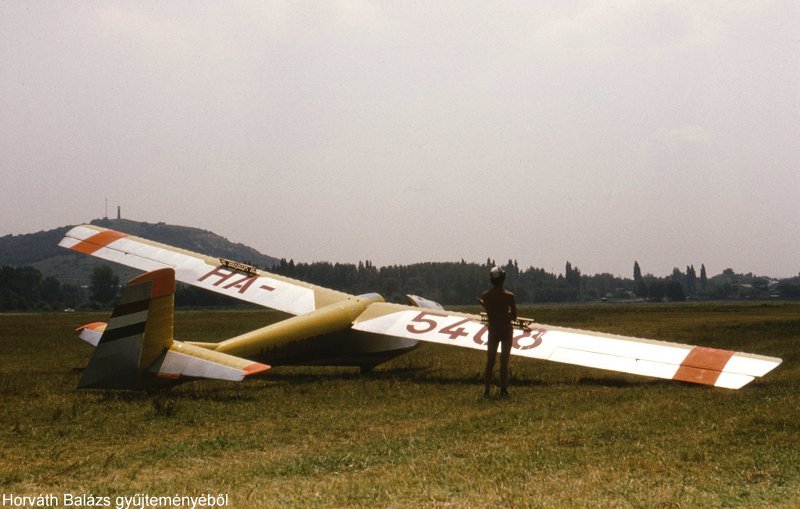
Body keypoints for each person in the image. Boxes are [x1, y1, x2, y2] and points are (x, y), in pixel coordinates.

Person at [478, 266, 517, 398]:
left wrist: (484, 305)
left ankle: (487, 390)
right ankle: (503, 389)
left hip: (493, 330)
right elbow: (514, 316)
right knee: (504, 361)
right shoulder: (509, 296)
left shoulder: (485, 296)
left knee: (490, 361)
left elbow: (490, 311)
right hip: (506, 330)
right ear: (503, 279)